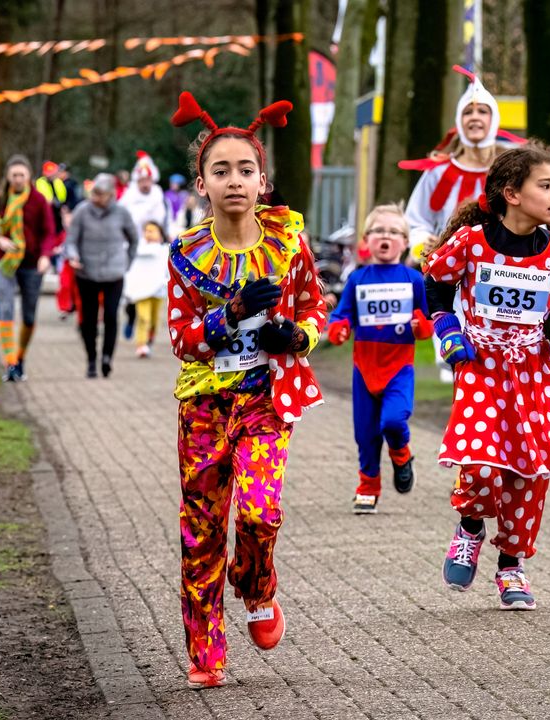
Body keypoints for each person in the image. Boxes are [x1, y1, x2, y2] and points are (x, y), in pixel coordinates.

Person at [166, 91, 327, 689]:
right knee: (202, 526)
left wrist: (297, 334)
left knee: (260, 513)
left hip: (266, 399)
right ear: (202, 184)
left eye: (246, 170)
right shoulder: (185, 253)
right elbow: (181, 339)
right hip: (203, 404)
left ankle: (257, 586)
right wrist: (226, 316)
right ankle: (206, 652)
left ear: (263, 181)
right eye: (220, 170)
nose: (234, 180)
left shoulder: (288, 244)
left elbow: (315, 305)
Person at [423, 141, 550, 611]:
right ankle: (470, 527)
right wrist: (447, 328)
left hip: (533, 372)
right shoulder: (471, 242)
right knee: (483, 462)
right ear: (512, 192)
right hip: (481, 365)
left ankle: (511, 565)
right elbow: (435, 284)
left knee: (531, 472)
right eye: (544, 186)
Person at [404, 65, 518, 384]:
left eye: (483, 110)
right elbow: (416, 220)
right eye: (468, 111)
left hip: (501, 275)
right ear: (459, 121)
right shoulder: (438, 174)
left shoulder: (511, 170)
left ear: (493, 119)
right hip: (451, 279)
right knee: (460, 361)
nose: (475, 117)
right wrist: (422, 242)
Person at [325, 204, 433, 514]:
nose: (385, 237)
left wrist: (420, 326)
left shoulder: (414, 280)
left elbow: (428, 322)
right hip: (364, 369)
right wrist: (339, 329)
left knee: (393, 420)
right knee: (365, 433)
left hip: (399, 367)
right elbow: (341, 316)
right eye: (378, 231)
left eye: (393, 232)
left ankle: (401, 453)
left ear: (405, 241)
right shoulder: (358, 279)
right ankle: (367, 487)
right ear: (366, 240)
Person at [61, 174, 138, 379]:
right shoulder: (82, 211)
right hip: (86, 273)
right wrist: (73, 256)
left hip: (114, 274)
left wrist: (126, 263)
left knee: (111, 316)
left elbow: (134, 239)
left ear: (111, 194)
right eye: (94, 192)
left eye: (100, 194)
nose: (95, 197)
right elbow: (71, 241)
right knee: (89, 319)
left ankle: (106, 358)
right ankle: (91, 360)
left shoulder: (121, 213)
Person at [0, 155, 56, 382]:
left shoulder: (38, 201)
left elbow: (49, 232)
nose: (18, 179)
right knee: (5, 308)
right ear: (8, 176)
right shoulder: (0, 200)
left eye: (22, 175)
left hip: (31, 262)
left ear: (29, 177)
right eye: (14, 175)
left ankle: (20, 357)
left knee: (28, 315)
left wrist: (45, 256)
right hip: (4, 261)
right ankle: (10, 362)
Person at [123, 220, 169, 358]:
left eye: (152, 231)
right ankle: (141, 344)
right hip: (141, 291)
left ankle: (149, 340)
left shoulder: (165, 250)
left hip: (158, 291)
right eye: (146, 231)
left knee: (154, 320)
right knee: (144, 317)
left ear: (160, 234)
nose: (148, 234)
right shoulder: (137, 249)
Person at [118, 151, 169, 237]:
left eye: (148, 180)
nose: (145, 184)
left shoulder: (159, 196)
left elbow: (167, 221)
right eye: (142, 180)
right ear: (137, 181)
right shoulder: (128, 196)